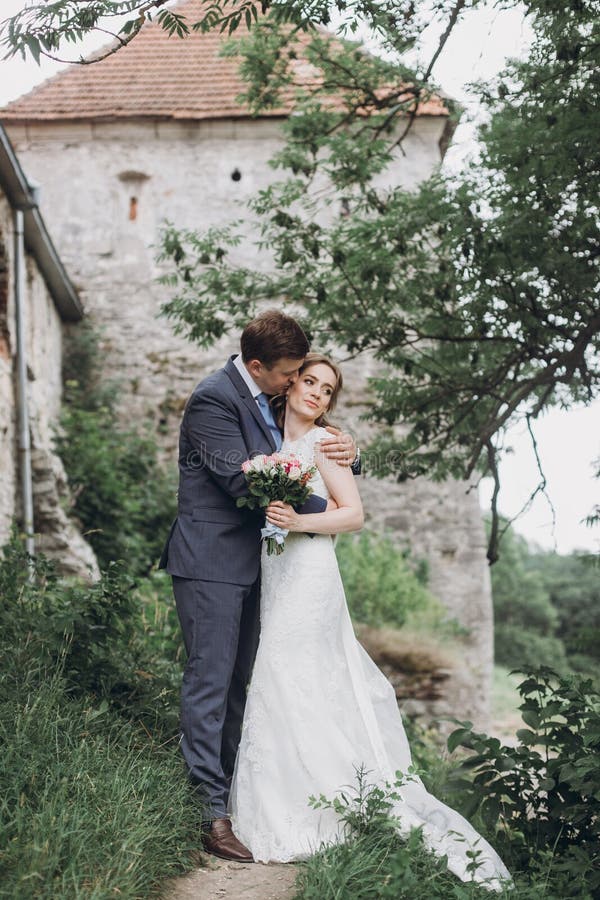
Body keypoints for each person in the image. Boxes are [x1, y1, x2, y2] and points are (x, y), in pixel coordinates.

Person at [228, 353, 512, 892]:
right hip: (277, 572)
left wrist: (298, 520)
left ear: (332, 402)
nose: (315, 394)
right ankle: (277, 808)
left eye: (327, 390)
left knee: (302, 672)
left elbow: (353, 514)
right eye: (309, 382)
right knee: (278, 679)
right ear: (290, 385)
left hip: (310, 574)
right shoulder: (269, 439)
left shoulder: (323, 444)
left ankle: (329, 807)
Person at [159, 311, 357, 862]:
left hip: (256, 565)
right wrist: (329, 503)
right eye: (291, 373)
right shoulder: (213, 400)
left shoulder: (266, 395)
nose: (295, 383)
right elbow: (247, 479)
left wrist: (345, 453)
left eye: (301, 374)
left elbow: (303, 436)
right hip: (210, 561)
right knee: (211, 681)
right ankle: (208, 814)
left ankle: (233, 796)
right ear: (257, 366)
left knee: (241, 684)